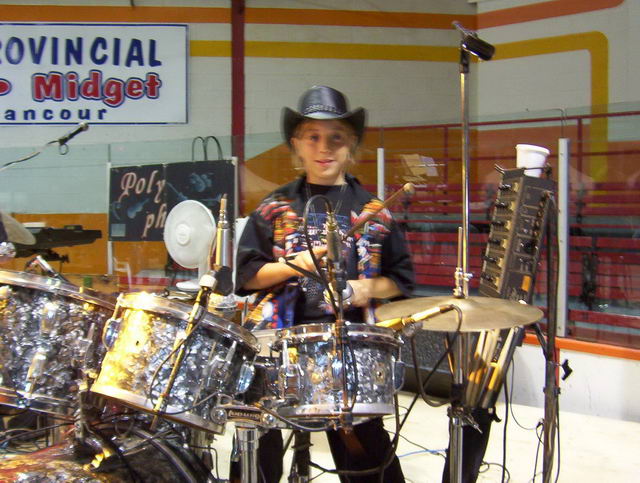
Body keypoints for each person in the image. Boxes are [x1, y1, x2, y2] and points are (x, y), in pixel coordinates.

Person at [235, 85, 414, 482]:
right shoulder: (275, 207)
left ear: (351, 145)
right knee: (256, 444)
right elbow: (246, 277)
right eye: (312, 137)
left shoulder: (375, 211)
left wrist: (364, 289)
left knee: (366, 456)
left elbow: (401, 281)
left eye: (336, 137)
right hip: (277, 348)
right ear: (296, 145)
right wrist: (294, 265)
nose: (324, 148)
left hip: (350, 348)